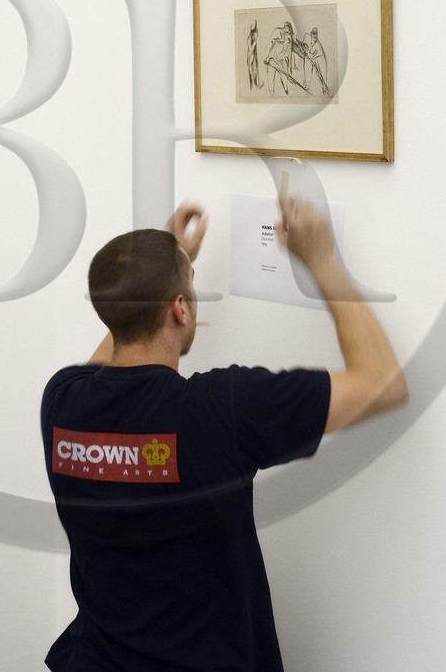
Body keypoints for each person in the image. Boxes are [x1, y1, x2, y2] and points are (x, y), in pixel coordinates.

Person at [41, 198, 407, 670]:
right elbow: (382, 384)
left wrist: (166, 262)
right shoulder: (219, 410)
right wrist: (322, 260)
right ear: (180, 309)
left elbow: (123, 329)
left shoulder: (62, 403)